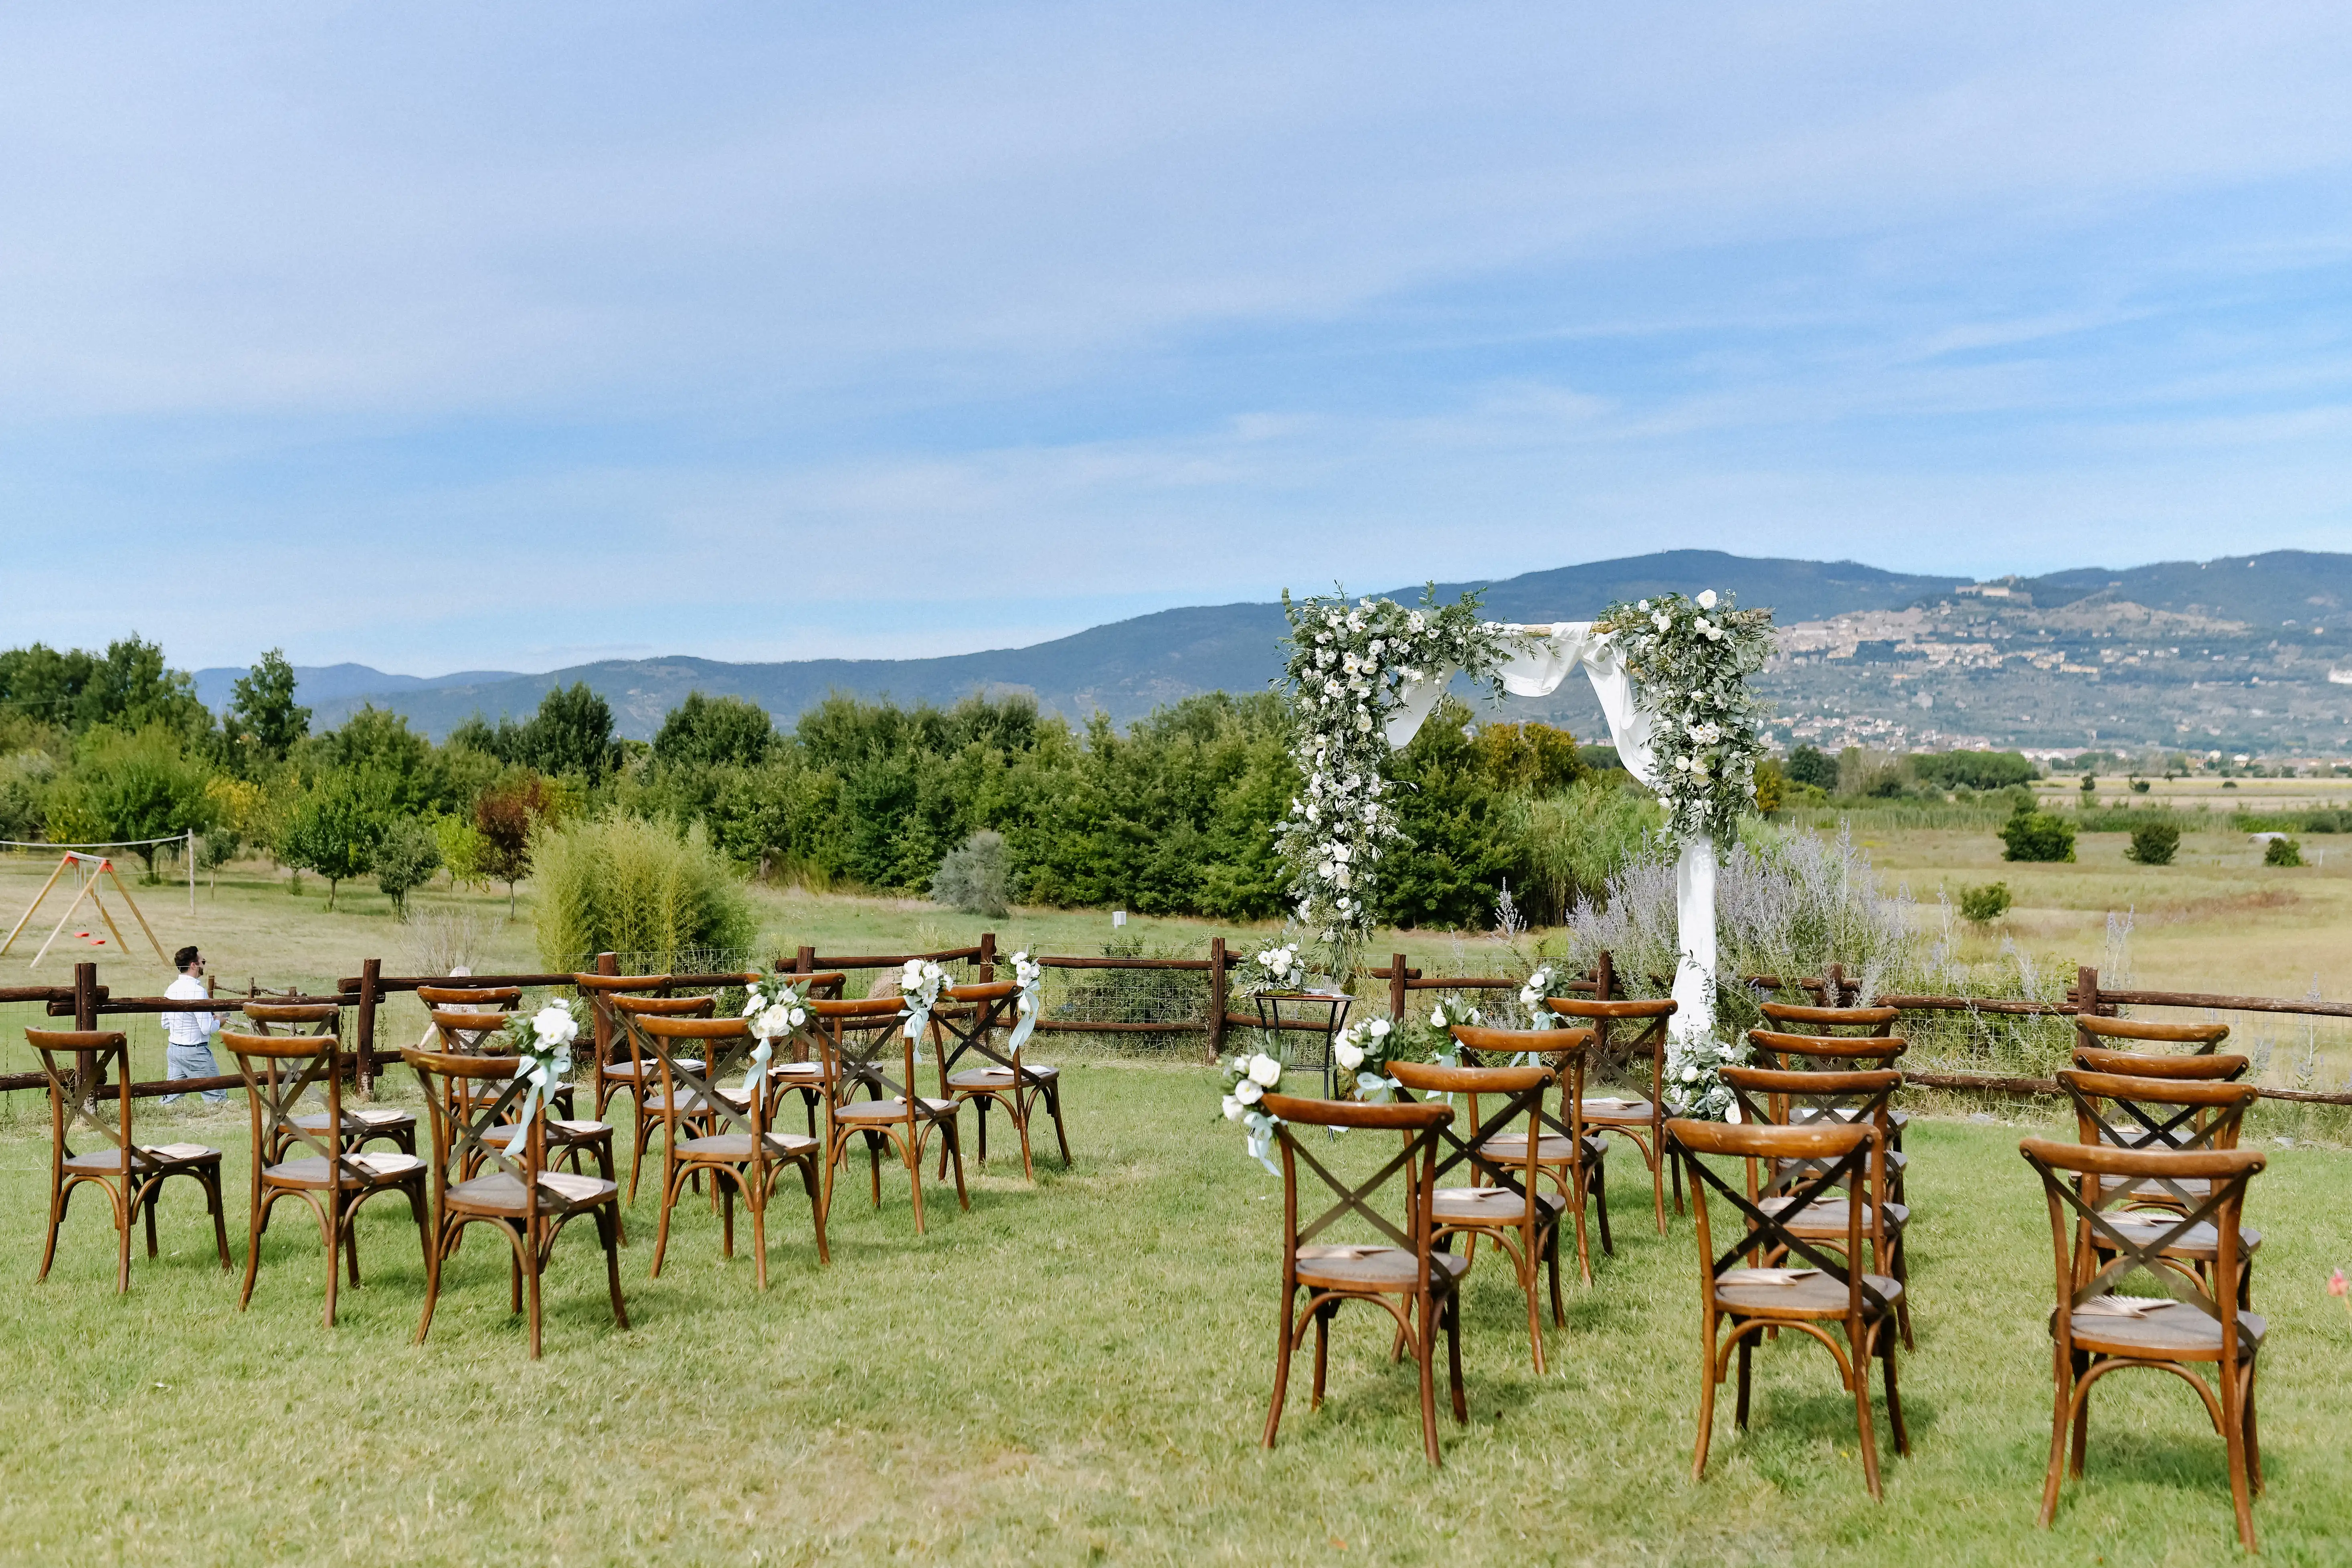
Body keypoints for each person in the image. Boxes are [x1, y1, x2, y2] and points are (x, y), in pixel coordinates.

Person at [162, 945, 227, 1107]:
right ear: (193, 965)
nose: (204, 965)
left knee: (172, 1096)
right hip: (195, 1051)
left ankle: (158, 1116)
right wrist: (220, 1021)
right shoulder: (198, 991)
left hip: (175, 1049)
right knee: (216, 1095)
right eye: (202, 961)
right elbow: (207, 1028)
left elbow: (165, 1023)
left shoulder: (171, 989)